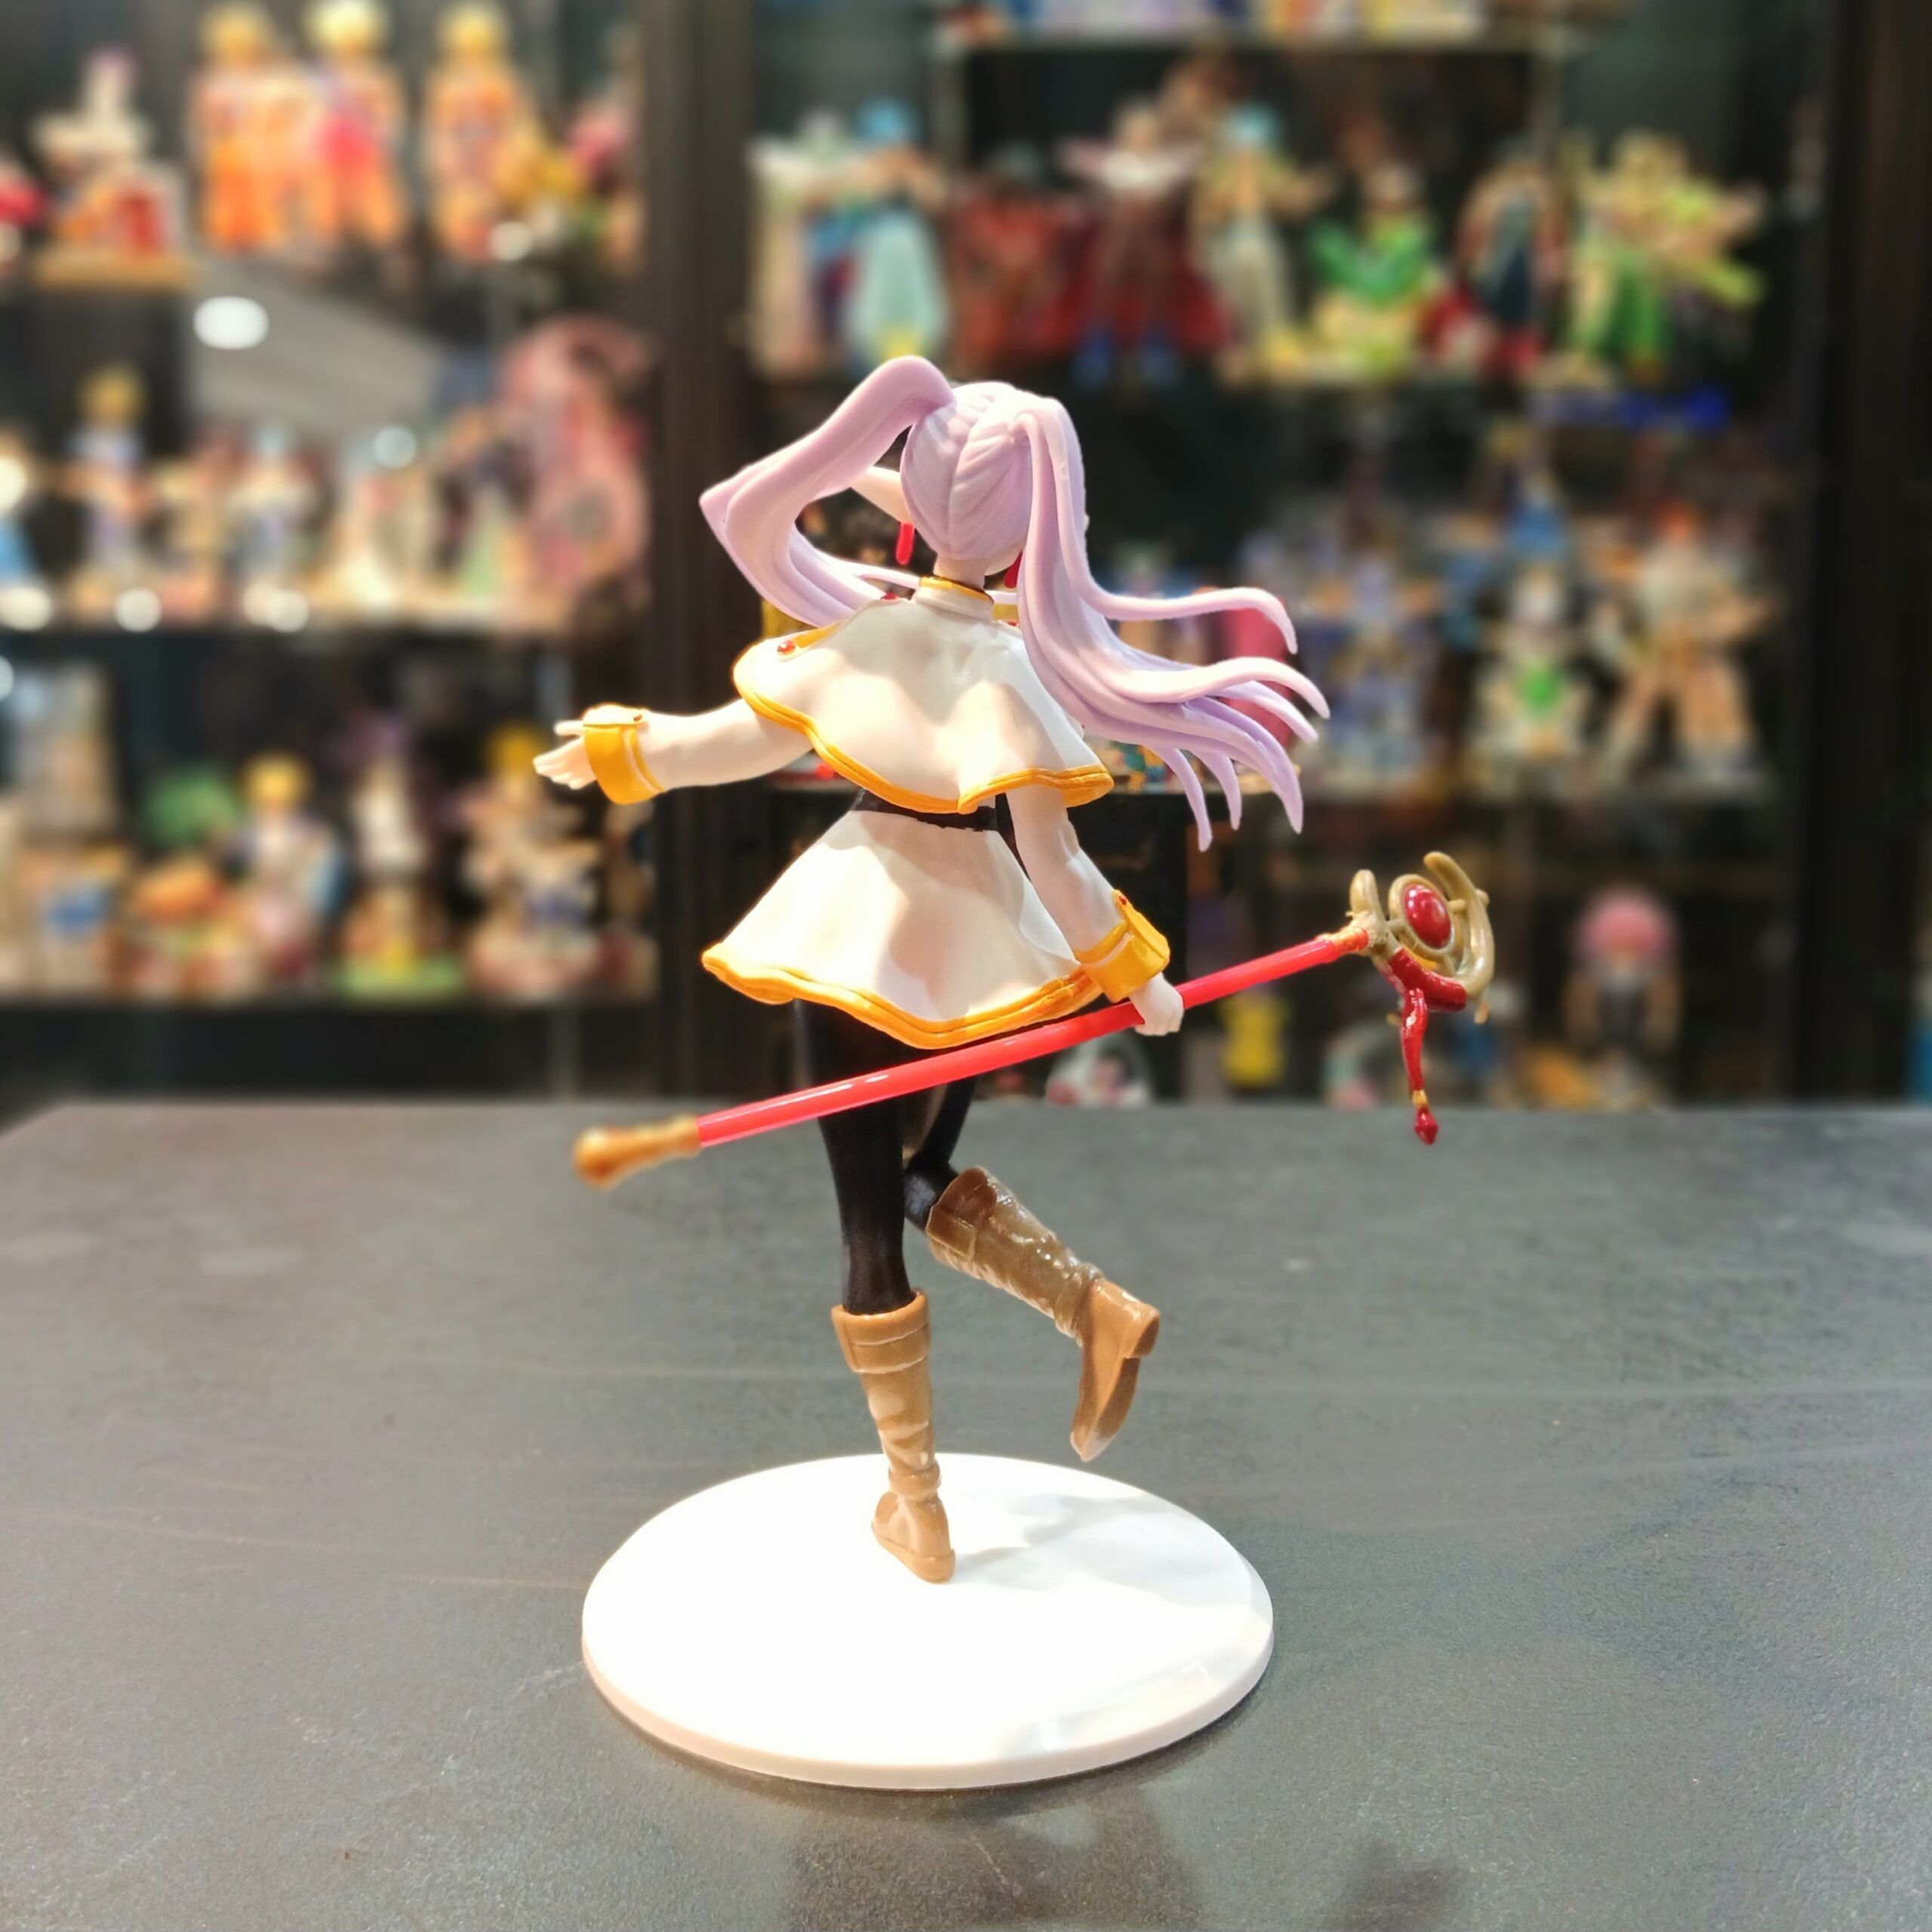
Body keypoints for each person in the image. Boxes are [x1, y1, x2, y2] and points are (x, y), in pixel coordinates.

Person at [537, 357, 1324, 1582]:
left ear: (919, 502)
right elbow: (1056, 864)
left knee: (872, 1231)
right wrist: (1136, 973)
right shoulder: (1011, 668)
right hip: (971, 954)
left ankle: (918, 1503)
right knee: (919, 1176)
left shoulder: (873, 638)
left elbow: (732, 744)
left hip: (857, 938)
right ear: (1039, 529)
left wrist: (620, 751)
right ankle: (1092, 1308)